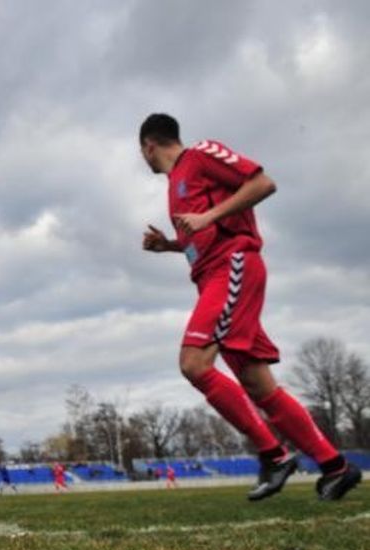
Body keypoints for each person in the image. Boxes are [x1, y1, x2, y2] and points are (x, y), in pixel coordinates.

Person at [139, 113, 361, 502]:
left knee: (194, 364)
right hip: (212, 278)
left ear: (148, 146)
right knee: (259, 385)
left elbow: (263, 183)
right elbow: (200, 236)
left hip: (233, 267)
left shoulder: (201, 155)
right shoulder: (175, 184)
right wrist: (169, 246)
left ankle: (274, 455)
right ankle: (335, 466)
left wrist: (207, 215)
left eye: (142, 152)